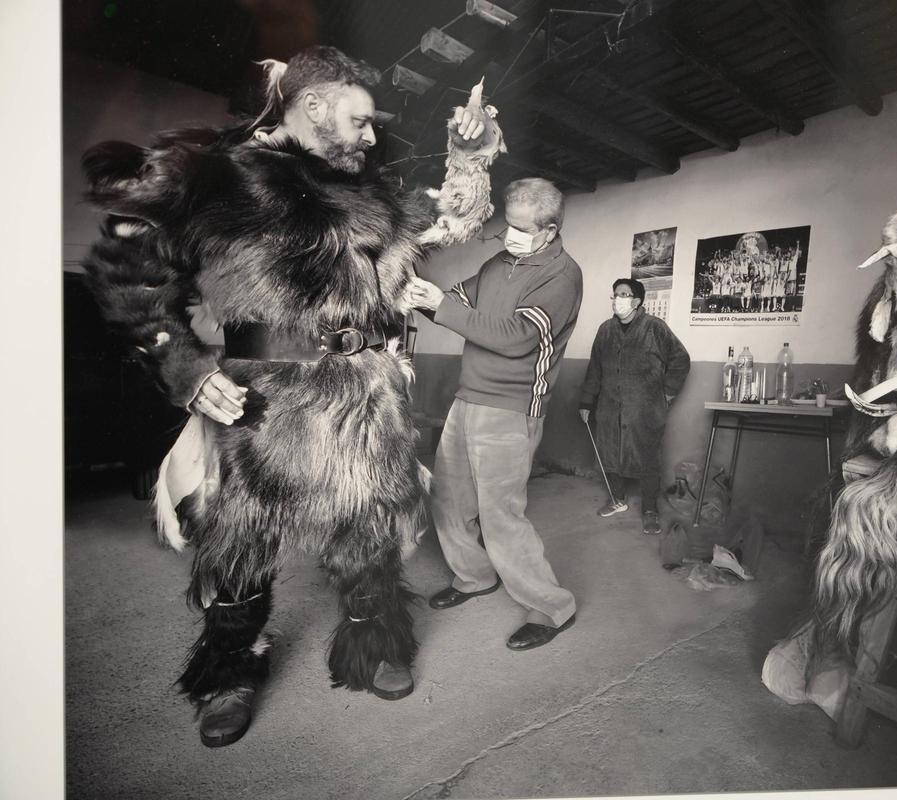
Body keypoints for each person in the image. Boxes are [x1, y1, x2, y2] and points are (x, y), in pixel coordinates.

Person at [79, 45, 503, 746]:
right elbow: (128, 266)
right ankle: (229, 672)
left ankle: (374, 646)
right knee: (242, 545)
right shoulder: (221, 176)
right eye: (361, 121)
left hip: (367, 397)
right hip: (266, 403)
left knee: (372, 537)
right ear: (314, 105)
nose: (372, 137)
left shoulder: (371, 191)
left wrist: (469, 154)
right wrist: (182, 365)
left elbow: (442, 220)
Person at [402, 178, 582, 652]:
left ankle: (551, 605)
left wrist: (440, 307)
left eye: (523, 229)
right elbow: (457, 303)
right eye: (509, 224)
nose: (512, 235)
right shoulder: (498, 263)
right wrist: (420, 295)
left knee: (500, 512)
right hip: (468, 398)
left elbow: (515, 336)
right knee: (447, 498)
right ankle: (474, 576)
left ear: (549, 230)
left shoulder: (562, 275)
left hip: (512, 406)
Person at [579, 278, 691, 535]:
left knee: (648, 459)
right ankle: (617, 499)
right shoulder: (605, 330)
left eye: (625, 294)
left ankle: (650, 510)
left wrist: (668, 393)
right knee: (609, 453)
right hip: (609, 407)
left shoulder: (655, 328)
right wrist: (587, 401)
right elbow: (594, 368)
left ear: (637, 301)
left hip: (645, 408)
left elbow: (680, 359)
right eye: (616, 294)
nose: (618, 299)